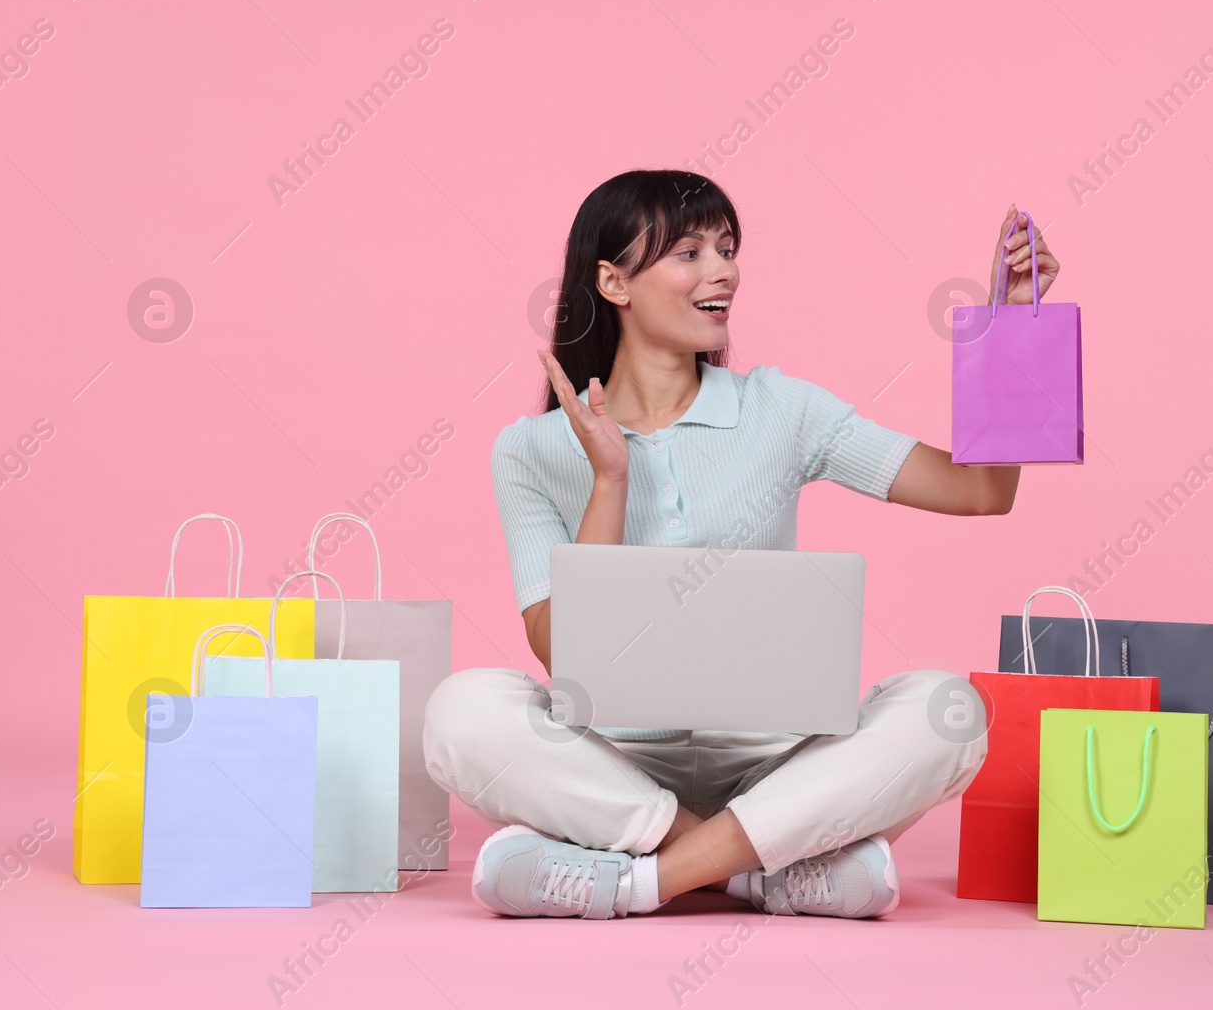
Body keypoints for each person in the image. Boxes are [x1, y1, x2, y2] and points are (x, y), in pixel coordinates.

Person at [422, 169, 1060, 920]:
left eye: (726, 248)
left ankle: (643, 879)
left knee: (948, 709)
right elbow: (566, 655)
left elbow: (982, 491)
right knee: (460, 710)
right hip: (616, 764)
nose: (722, 270)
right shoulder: (530, 449)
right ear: (613, 282)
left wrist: (1013, 331)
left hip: (778, 764)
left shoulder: (781, 409)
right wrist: (609, 479)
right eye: (688, 253)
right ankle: (768, 870)